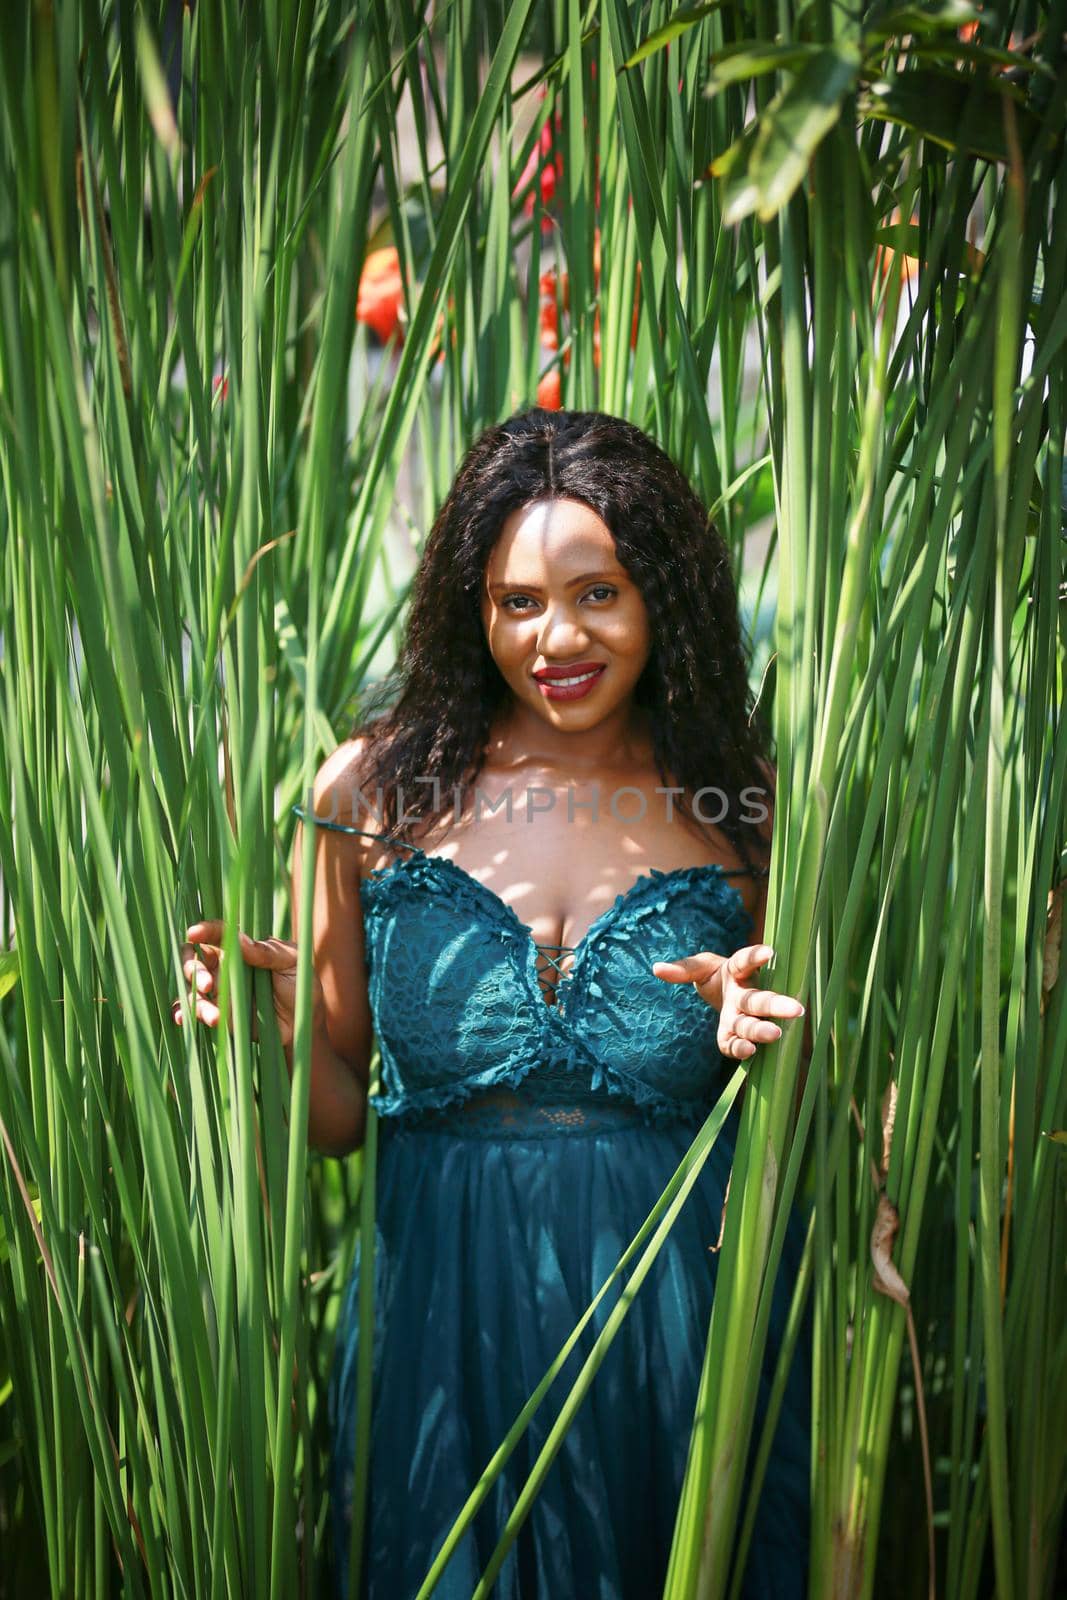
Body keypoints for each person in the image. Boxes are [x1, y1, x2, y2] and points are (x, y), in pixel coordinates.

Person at [174, 408, 811, 1598]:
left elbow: (805, 1087)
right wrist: (272, 1034)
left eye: (596, 593)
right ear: (470, 609)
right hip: (439, 1330)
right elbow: (334, 1115)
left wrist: (754, 1038)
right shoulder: (370, 789)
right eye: (516, 600)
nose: (554, 636)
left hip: (677, 1323)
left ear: (659, 594)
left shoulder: (744, 804)